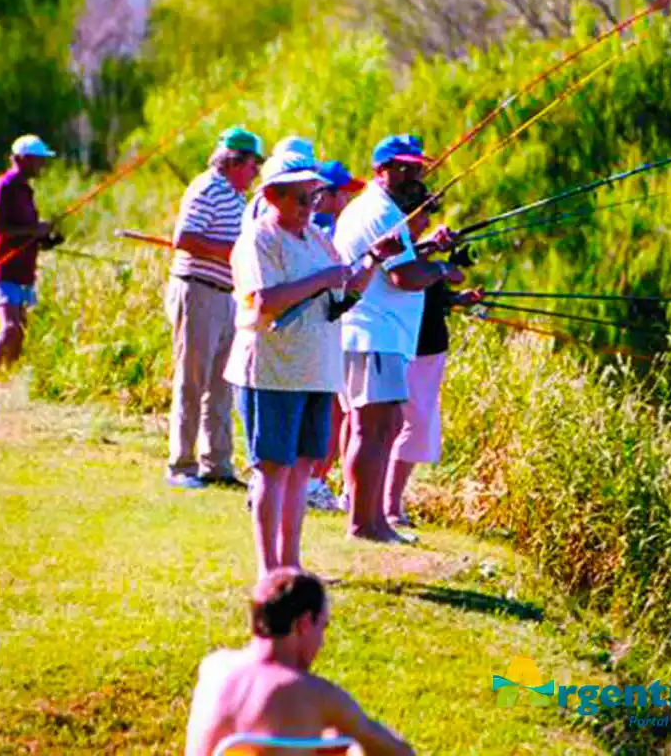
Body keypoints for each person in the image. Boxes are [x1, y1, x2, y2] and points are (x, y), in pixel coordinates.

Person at [224, 152, 398, 578]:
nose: (309, 206)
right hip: (271, 371)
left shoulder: (318, 239)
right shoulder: (258, 239)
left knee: (302, 470)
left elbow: (340, 297)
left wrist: (373, 261)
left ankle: (292, 564)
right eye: (300, 197)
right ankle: (270, 572)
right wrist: (323, 280)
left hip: (317, 369)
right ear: (272, 196)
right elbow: (264, 300)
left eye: (313, 196)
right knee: (271, 469)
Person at [332, 135, 463, 543]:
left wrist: (424, 251)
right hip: (376, 333)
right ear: (379, 170)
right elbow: (403, 277)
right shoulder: (381, 212)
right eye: (402, 167)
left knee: (375, 427)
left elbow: (402, 261)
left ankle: (371, 520)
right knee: (374, 429)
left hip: (373, 334)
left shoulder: (382, 211)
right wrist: (442, 270)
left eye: (417, 168)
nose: (412, 175)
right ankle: (365, 524)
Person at [184, 568, 415, 756]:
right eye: (323, 627)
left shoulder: (213, 667)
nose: (322, 642)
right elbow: (398, 752)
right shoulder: (317, 695)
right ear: (305, 623)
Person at [166, 127, 264, 490]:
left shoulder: (237, 196)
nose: (256, 172)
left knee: (221, 383)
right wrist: (233, 254)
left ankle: (217, 464)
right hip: (199, 291)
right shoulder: (208, 188)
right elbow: (185, 239)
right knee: (192, 379)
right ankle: (182, 465)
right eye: (254, 164)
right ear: (236, 162)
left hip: (226, 295)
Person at [383, 183, 483, 527]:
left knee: (415, 423)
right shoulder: (401, 245)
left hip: (429, 346)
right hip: (415, 347)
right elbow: (408, 280)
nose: (427, 221)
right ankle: (389, 507)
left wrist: (457, 299)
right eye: (424, 213)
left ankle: (388, 503)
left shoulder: (415, 248)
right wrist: (440, 266)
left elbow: (430, 296)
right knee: (410, 424)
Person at [306, 160, 366, 512]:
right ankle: (313, 482)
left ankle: (318, 481)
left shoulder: (328, 228)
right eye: (341, 193)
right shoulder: (321, 231)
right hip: (323, 332)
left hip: (333, 330)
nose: (346, 200)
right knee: (332, 412)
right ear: (323, 194)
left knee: (337, 412)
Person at [0, 135, 59, 379]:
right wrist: (35, 230)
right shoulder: (4, 186)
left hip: (22, 269)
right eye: (39, 160)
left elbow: (24, 231)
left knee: (20, 329)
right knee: (10, 327)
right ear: (24, 159)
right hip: (2, 267)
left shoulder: (25, 190)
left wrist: (45, 239)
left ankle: (8, 378)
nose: (42, 165)